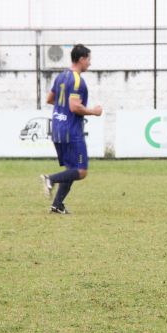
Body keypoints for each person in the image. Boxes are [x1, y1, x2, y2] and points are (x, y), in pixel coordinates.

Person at [40, 44, 103, 213]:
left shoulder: (61, 76)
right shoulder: (76, 80)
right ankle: (50, 179)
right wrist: (94, 112)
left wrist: (64, 107)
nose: (89, 63)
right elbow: (75, 107)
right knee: (81, 171)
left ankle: (57, 205)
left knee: (71, 170)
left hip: (58, 128)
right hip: (71, 131)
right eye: (88, 59)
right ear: (81, 59)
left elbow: (50, 99)